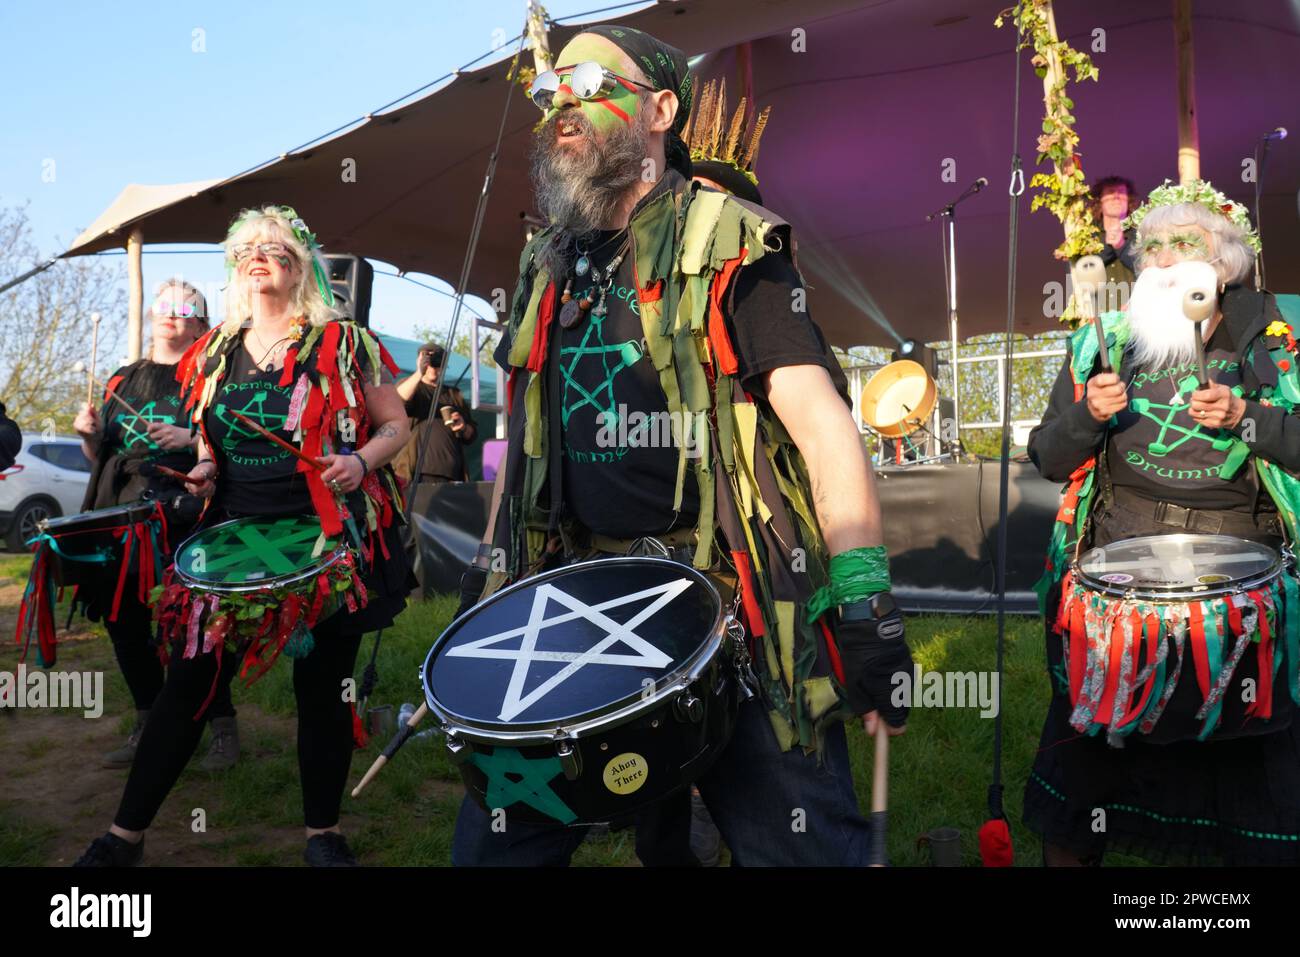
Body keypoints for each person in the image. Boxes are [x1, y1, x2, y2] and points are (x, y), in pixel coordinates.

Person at [452, 25, 912, 867]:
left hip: (734, 607)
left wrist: (863, 598)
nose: (564, 100)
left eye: (591, 81)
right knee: (498, 848)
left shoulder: (732, 242)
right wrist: (492, 571)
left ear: (660, 109)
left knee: (803, 852)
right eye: (553, 88)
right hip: (575, 597)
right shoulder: (544, 266)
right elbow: (519, 441)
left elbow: (820, 423)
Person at [75, 206, 414, 867]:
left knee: (322, 690)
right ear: (234, 265)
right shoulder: (216, 350)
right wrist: (203, 468)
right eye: (247, 247)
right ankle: (123, 837)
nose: (258, 254)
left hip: (323, 542)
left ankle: (323, 834)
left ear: (300, 262)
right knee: (189, 686)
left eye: (274, 244)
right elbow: (211, 442)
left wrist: (361, 460)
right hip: (230, 546)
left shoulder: (341, 343)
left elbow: (396, 424)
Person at [1025, 179, 1300, 865]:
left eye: (1188, 243)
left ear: (1228, 261)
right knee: (1081, 791)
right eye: (1154, 248)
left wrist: (1249, 418)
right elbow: (1046, 458)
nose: (1167, 259)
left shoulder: (1276, 337)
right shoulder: (1103, 344)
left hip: (1241, 604)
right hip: (1118, 603)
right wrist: (1088, 415)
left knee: (1250, 794)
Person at [69, 281, 239, 769]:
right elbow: (101, 459)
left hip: (188, 516)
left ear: (201, 324)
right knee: (124, 621)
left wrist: (189, 438)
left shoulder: (211, 378)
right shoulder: (122, 380)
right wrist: (91, 435)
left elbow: (233, 445)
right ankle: (147, 721)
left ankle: (221, 725)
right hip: (124, 516)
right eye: (164, 306)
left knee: (197, 623)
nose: (172, 314)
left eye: (186, 307)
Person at [393, 342, 477, 484]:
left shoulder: (454, 394)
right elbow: (398, 399)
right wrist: (420, 371)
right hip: (415, 472)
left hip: (451, 473)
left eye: (437, 362)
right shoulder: (413, 387)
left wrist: (463, 427)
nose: (433, 366)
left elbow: (472, 434)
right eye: (429, 360)